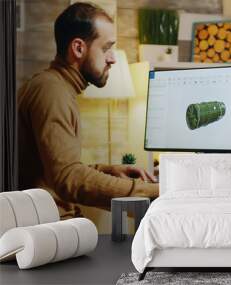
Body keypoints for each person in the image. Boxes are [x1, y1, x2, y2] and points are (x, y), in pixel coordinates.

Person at [17, 2, 158, 219]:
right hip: (49, 230)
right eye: (106, 48)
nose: (112, 58)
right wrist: (155, 193)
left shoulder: (54, 86)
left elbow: (53, 170)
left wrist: (108, 171)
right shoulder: (52, 91)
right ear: (78, 48)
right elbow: (68, 178)